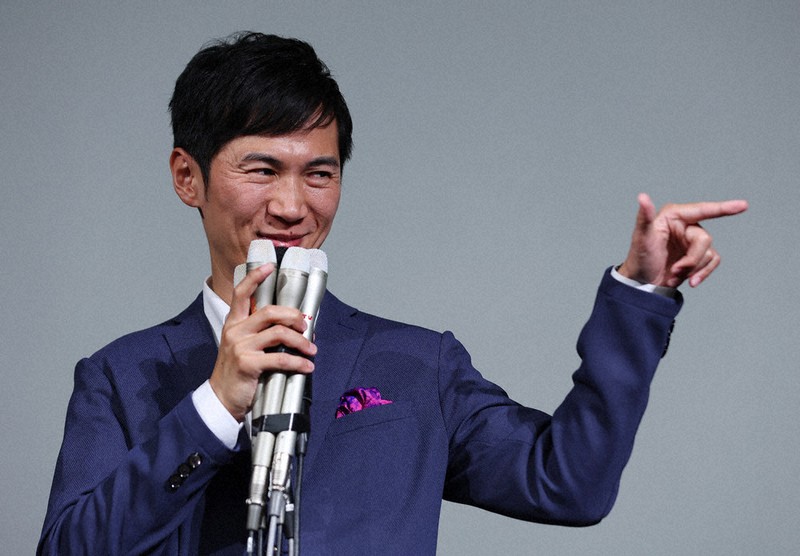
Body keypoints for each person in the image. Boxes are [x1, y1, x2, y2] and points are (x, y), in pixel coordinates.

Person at [38, 32, 748, 555]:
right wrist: (215, 407)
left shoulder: (416, 364)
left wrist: (641, 292)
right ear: (187, 177)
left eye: (319, 174)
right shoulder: (122, 377)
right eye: (262, 169)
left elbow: (569, 483)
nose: (292, 205)